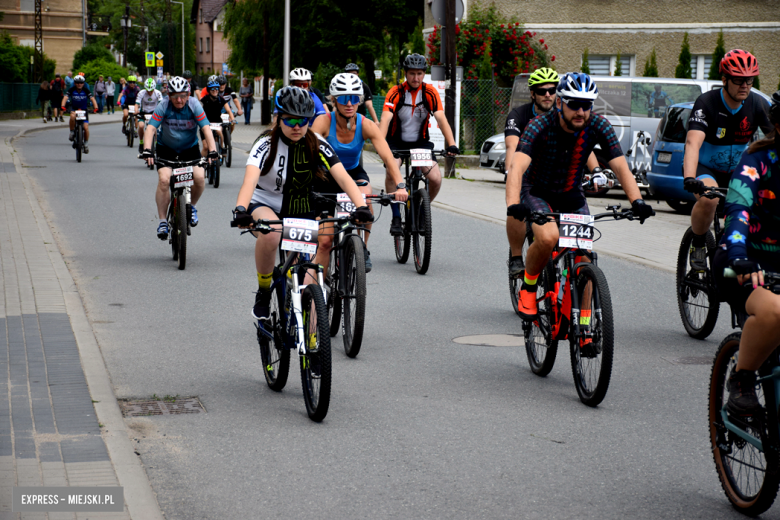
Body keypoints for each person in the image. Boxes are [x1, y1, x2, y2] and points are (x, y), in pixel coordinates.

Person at [506, 72, 655, 321]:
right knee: (549, 237)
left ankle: (584, 324)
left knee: (584, 257)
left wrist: (637, 201)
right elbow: (517, 168)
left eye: (586, 106)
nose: (580, 112)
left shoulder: (598, 126)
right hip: (537, 191)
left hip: (571, 193)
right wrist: (513, 205)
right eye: (574, 105)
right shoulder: (539, 126)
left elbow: (620, 167)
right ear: (560, 102)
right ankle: (529, 287)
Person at [231, 86, 371, 320]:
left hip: (301, 207)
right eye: (291, 120)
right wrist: (241, 210)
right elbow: (249, 181)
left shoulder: (315, 141)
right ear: (279, 118)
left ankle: (312, 316)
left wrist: (361, 206)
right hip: (266, 202)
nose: (297, 126)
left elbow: (343, 176)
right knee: (272, 234)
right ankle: (264, 291)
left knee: (318, 252)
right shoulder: (265, 142)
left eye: (303, 120)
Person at [716, 91, 780, 416]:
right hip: (742, 263)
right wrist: (740, 254)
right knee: (776, 312)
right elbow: (737, 211)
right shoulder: (756, 161)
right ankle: (742, 379)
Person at [505, 68, 601, 277]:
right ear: (533, 94)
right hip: (527, 175)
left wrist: (596, 171)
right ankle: (515, 257)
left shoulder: (567, 117)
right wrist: (511, 170)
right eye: (542, 91)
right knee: (516, 209)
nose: (547, 94)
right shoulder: (520, 116)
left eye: (552, 90)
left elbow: (585, 147)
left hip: (561, 176)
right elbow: (512, 146)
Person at [683, 50, 773, 272]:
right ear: (724, 79)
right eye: (738, 80)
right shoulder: (707, 102)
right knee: (710, 198)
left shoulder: (758, 104)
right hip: (706, 169)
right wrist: (690, 178)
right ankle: (697, 242)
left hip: (737, 171)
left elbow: (775, 140)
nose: (745, 86)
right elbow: (693, 143)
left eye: (749, 80)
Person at [316, 73, 408, 273]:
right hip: (325, 176)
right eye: (343, 98)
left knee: (366, 202)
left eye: (355, 98)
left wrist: (400, 185)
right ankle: (319, 283)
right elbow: (307, 155)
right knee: (323, 238)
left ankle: (363, 247)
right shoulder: (323, 122)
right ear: (334, 100)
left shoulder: (365, 124)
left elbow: (388, 158)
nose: (349, 103)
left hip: (353, 172)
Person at [380, 53, 459, 235]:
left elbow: (441, 118)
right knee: (392, 172)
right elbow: (385, 119)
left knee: (436, 179)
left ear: (424, 74)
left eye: (420, 74)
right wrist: (381, 146)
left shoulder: (429, 92)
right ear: (406, 74)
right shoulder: (395, 92)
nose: (416, 78)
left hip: (420, 143)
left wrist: (452, 144)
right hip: (395, 141)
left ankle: (422, 210)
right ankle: (396, 217)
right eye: (412, 73)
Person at [141, 76, 218, 239]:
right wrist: (147, 150)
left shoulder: (194, 105)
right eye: (175, 96)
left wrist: (212, 150)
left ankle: (192, 207)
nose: (179, 100)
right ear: (169, 96)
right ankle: (162, 221)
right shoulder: (164, 106)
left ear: (188, 94)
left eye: (183, 95)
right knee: (164, 179)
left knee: (199, 178)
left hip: (189, 149)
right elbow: (150, 129)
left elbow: (205, 128)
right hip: (166, 149)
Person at [274, 68, 328, 133]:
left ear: (309, 84)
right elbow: (276, 118)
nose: (302, 88)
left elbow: (322, 117)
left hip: (310, 131)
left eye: (305, 85)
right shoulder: (285, 98)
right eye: (298, 85)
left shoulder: (314, 98)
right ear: (292, 84)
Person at [61, 75, 98, 153]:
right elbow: (65, 97)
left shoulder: (86, 90)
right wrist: (63, 106)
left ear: (83, 83)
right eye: (77, 82)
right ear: (75, 83)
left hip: (84, 110)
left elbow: (92, 99)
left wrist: (96, 107)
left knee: (86, 128)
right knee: (72, 116)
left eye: (81, 83)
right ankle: (71, 132)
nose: (79, 84)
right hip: (74, 109)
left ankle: (86, 144)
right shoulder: (71, 89)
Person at [199, 78, 235, 158]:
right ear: (209, 90)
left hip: (217, 122)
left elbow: (228, 110)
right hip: (206, 124)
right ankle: (200, 163)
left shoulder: (220, 99)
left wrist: (232, 119)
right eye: (212, 89)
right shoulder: (205, 100)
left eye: (216, 89)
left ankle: (221, 148)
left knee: (219, 132)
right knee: (205, 147)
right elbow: (198, 111)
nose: (215, 90)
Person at [137, 78, 164, 153]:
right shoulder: (141, 93)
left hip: (154, 113)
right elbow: (137, 103)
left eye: (151, 90)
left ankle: (156, 143)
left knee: (154, 128)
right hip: (144, 112)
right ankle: (141, 142)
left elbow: (161, 104)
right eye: (148, 90)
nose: (149, 92)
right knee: (141, 126)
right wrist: (136, 110)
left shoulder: (158, 93)